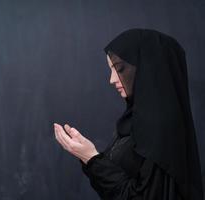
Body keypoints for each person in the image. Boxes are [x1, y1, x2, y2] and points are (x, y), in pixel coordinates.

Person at [53, 28, 204, 200]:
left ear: (147, 68)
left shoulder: (160, 127)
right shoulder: (135, 121)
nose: (112, 79)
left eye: (119, 69)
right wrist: (90, 155)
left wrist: (92, 158)